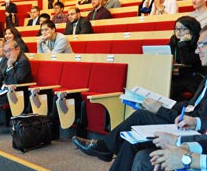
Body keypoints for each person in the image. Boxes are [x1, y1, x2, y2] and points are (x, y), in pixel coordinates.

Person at [72, 25, 207, 171]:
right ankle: (104, 147)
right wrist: (164, 104)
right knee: (132, 140)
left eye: (201, 45)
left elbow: (196, 116)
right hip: (190, 122)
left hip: (195, 131)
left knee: (142, 116)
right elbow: (193, 106)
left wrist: (160, 110)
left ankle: (104, 147)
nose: (196, 50)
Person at [169, 16, 203, 101]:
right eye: (176, 29)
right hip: (178, 75)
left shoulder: (200, 42)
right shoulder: (173, 40)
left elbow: (187, 60)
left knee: (172, 87)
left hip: (194, 76)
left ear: (192, 30)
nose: (178, 32)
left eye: (183, 29)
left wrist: (182, 43)